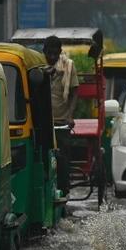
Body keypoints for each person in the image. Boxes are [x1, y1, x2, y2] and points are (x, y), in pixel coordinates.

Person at [43, 35, 79, 196]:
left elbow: (74, 92)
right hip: (42, 123)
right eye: (48, 53)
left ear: (60, 52)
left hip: (62, 122)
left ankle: (64, 192)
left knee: (63, 160)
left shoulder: (69, 66)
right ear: (43, 52)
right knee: (42, 159)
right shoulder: (37, 65)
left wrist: (70, 116)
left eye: (55, 54)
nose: (51, 57)